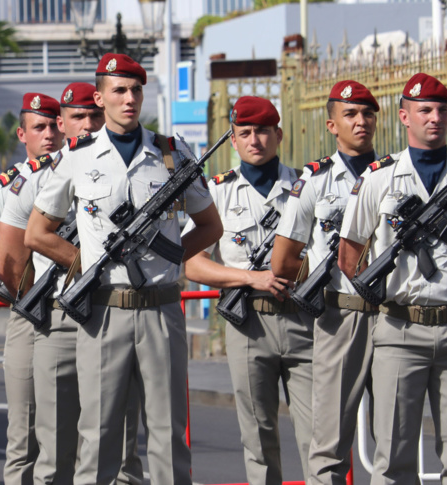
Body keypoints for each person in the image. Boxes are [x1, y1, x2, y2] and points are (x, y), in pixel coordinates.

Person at [25, 53, 222, 484]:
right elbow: (38, 233)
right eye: (119, 90)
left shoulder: (171, 153)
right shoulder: (77, 156)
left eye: (135, 90)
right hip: (103, 311)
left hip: (161, 309)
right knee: (98, 437)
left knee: (168, 435)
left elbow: (211, 226)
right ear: (100, 98)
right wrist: (88, 266)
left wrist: (172, 257)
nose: (129, 98)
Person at [339, 73, 447, 485]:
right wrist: (385, 292)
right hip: (399, 330)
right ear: (404, 116)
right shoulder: (378, 178)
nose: (435, 118)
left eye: (442, 110)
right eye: (425, 110)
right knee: (393, 458)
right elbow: (349, 254)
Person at [0, 82, 143, 485]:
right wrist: (55, 295)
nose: (89, 124)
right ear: (62, 124)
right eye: (78, 117)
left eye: (94, 115)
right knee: (56, 445)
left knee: (120, 444)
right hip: (60, 315)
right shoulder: (36, 179)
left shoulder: (127, 167)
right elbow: (11, 264)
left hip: (115, 311)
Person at [184, 96, 313, 485]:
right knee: (258, 438)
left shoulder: (307, 185)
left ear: (279, 135)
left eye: (262, 131)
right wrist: (249, 278)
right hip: (248, 324)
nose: (254, 140)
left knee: (319, 436)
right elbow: (191, 262)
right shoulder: (217, 192)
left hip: (305, 320)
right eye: (245, 133)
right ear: (234, 140)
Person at [270, 80, 379, 485]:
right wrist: (317, 274)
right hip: (341, 315)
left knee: (395, 436)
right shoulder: (315, 180)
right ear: (332, 125)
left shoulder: (394, 174)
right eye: (350, 114)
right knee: (329, 442)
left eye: (367, 113)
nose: (361, 121)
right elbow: (283, 260)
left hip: (392, 314)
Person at [0, 92, 63, 484]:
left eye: (55, 125)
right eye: (39, 127)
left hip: (85, 313)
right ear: (22, 134)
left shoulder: (81, 174)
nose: (49, 134)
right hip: (31, 316)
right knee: (25, 433)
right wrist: (28, 300)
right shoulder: (8, 188)